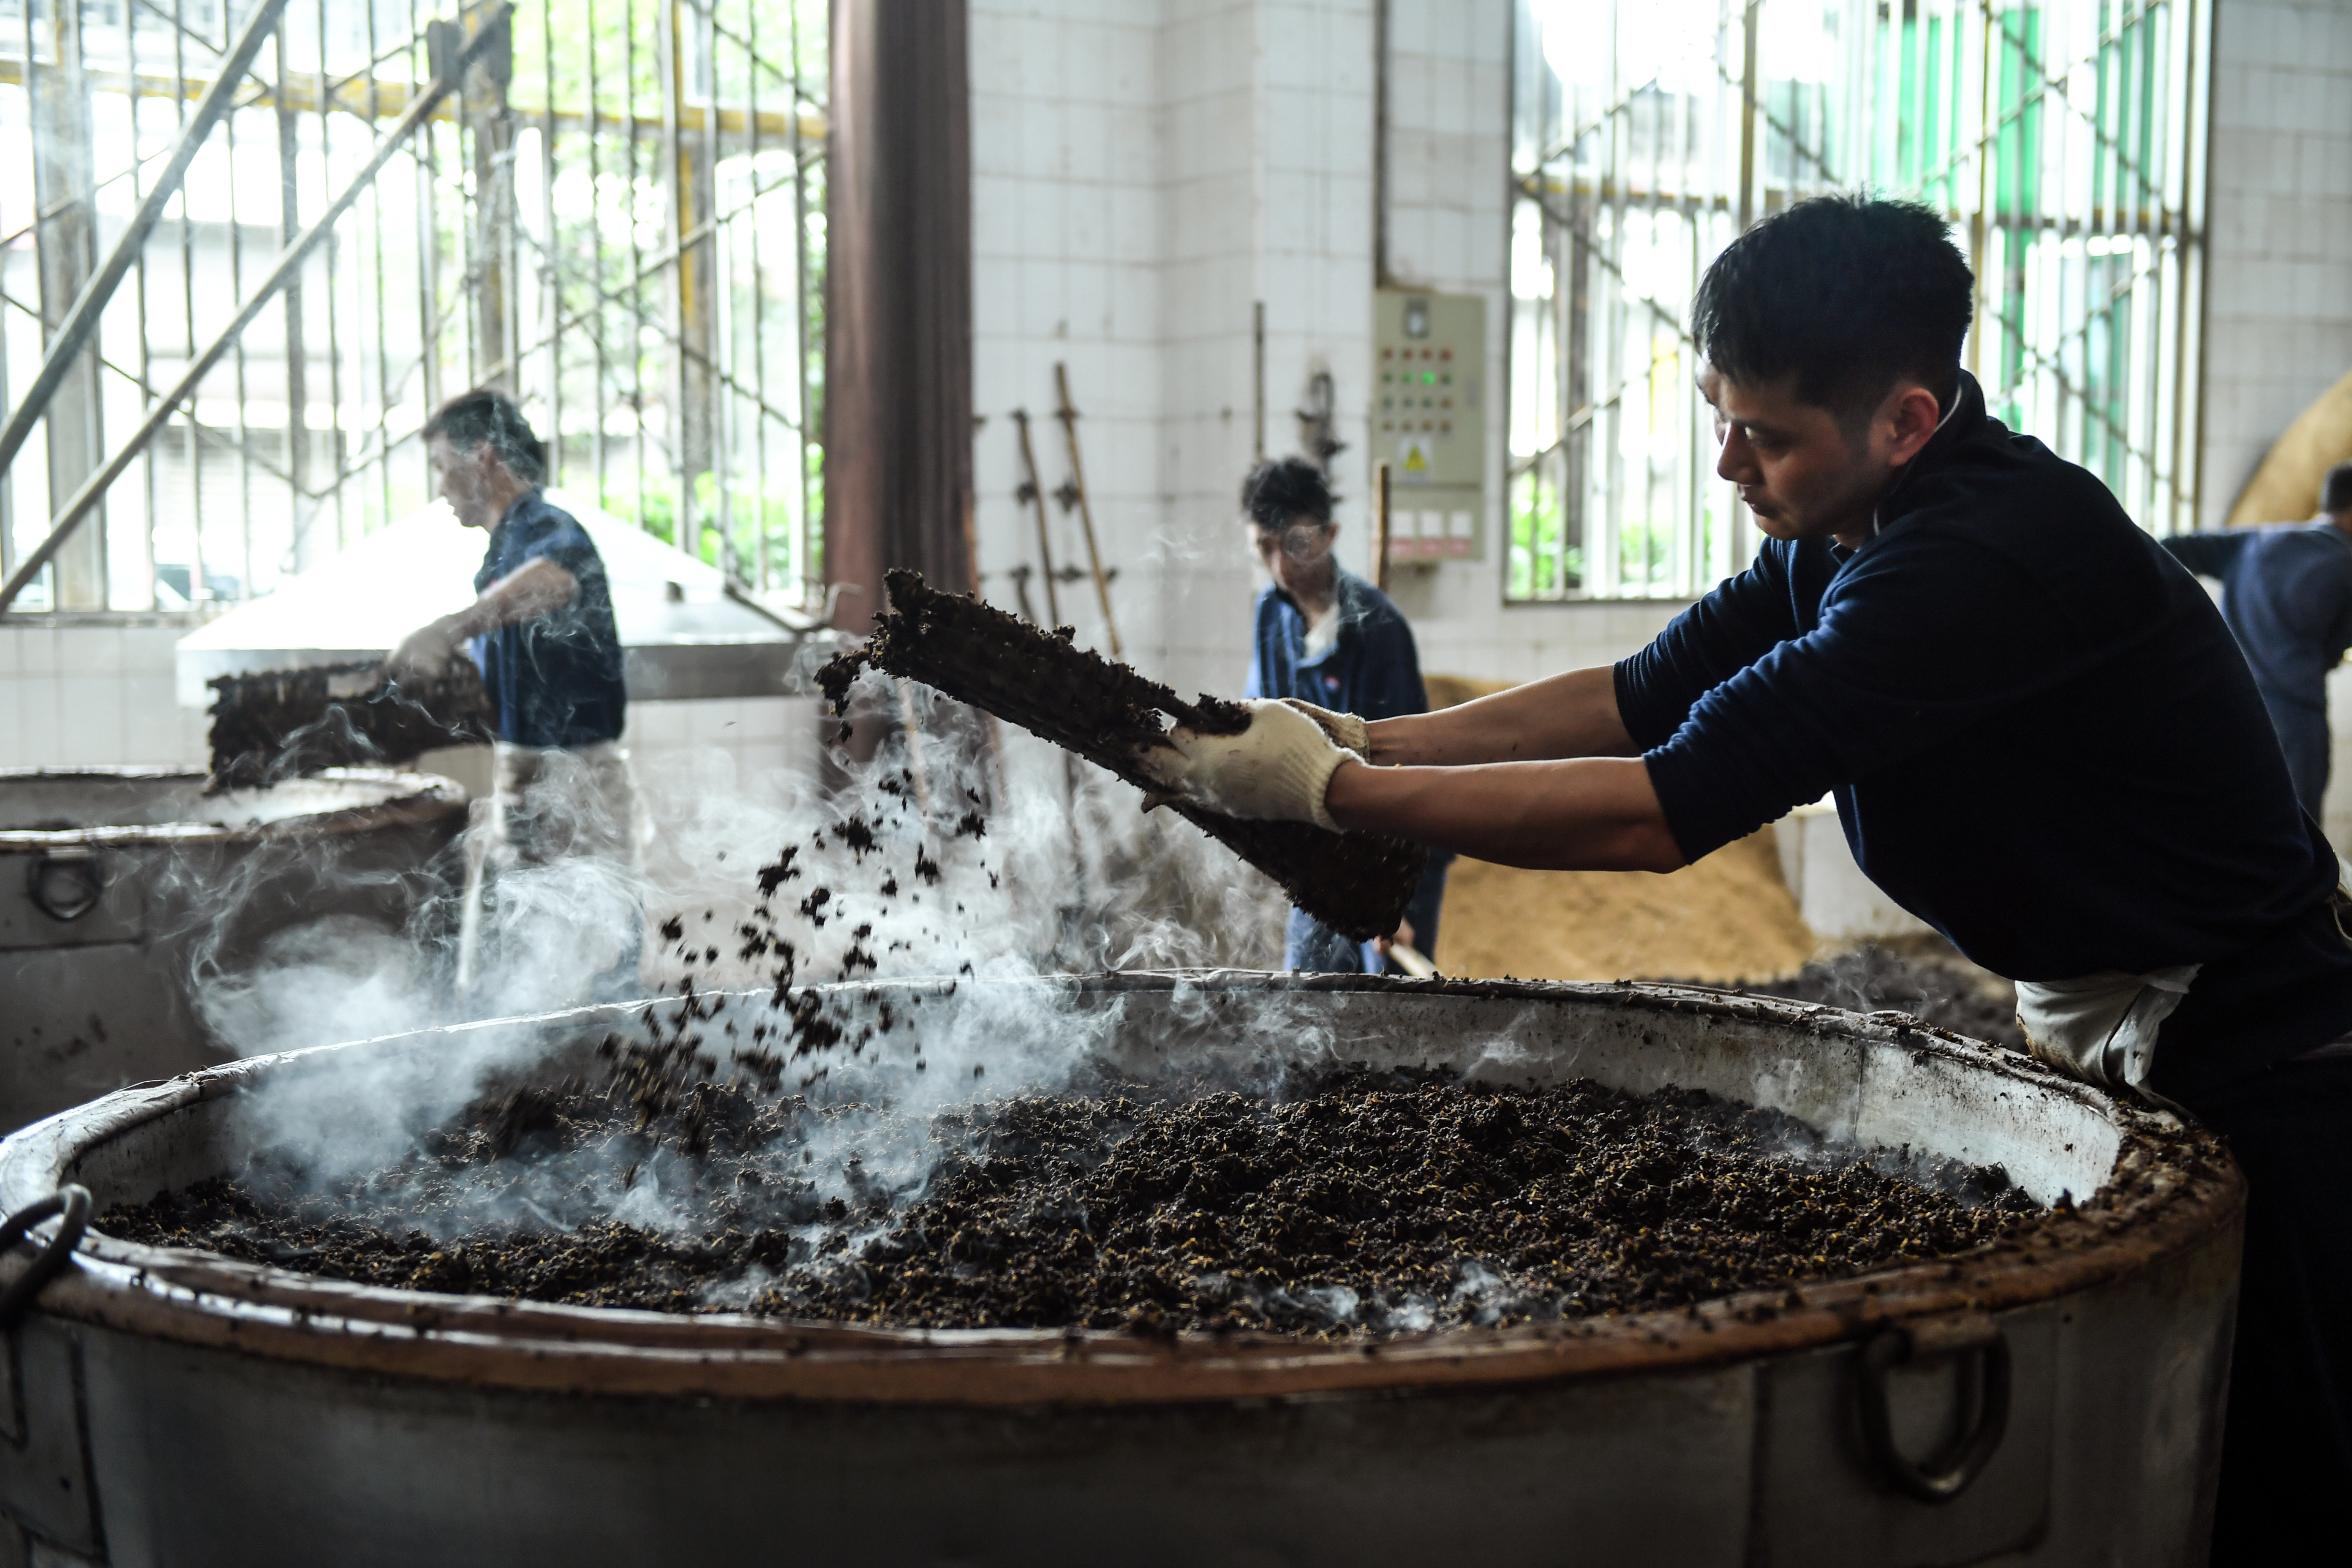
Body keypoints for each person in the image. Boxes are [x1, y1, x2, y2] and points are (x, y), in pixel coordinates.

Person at [1142, 195, 2352, 1560]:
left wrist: (1332, 800)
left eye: (1762, 434)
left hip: (2267, 1052)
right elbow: (1635, 694)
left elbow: (1663, 807)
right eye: (1717, 417)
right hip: (2121, 1024)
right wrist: (1354, 737)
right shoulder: (1839, 536)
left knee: (2268, 1470)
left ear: (1901, 419)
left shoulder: (1976, 559)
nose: (1726, 461)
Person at [387, 389, 638, 1005]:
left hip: (573, 779)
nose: (442, 487)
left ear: (485, 459)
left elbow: (554, 581)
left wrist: (450, 630)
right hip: (525, 774)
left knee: (582, 964)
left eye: (443, 467)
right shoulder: (500, 551)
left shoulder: (546, 526)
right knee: (514, 965)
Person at [1238, 456, 1450, 974]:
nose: (1281, 566)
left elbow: (1412, 773)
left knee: (1391, 1016)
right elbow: (1259, 726)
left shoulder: (1379, 631)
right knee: (1309, 1004)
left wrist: (1397, 899)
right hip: (1317, 861)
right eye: (1265, 548)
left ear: (1328, 534)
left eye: (1294, 545)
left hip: (1393, 857)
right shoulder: (1271, 614)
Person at [2163, 464, 2352, 814]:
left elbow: (2168, 549)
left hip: (2228, 710)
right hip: (2296, 719)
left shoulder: (2255, 541)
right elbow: (2335, 646)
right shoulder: (2347, 566)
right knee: (2299, 837)